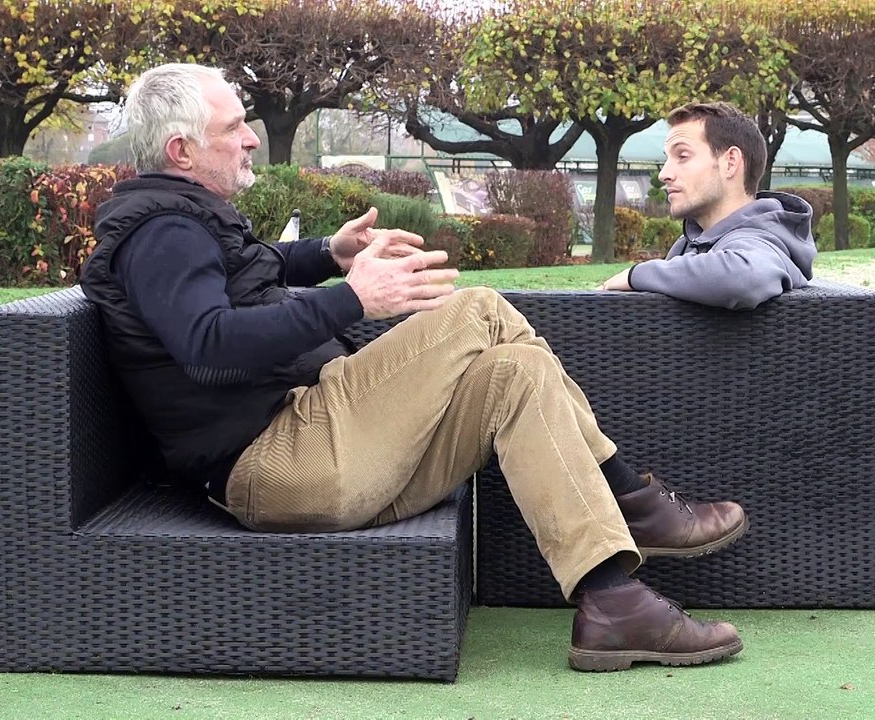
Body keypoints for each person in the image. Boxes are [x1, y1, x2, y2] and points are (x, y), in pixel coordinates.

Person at [81, 64, 750, 673]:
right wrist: (353, 298)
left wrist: (326, 253)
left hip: (324, 457)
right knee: (479, 310)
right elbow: (206, 343)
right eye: (233, 128)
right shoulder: (162, 234)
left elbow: (241, 275)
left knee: (516, 372)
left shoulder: (180, 222)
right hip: (282, 461)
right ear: (182, 151)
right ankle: (629, 499)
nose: (251, 138)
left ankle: (611, 602)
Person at [598, 102, 816, 308]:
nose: (664, 174)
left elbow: (743, 277)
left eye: (682, 156)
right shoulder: (690, 243)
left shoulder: (762, 240)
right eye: (667, 159)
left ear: (730, 162)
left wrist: (635, 275)